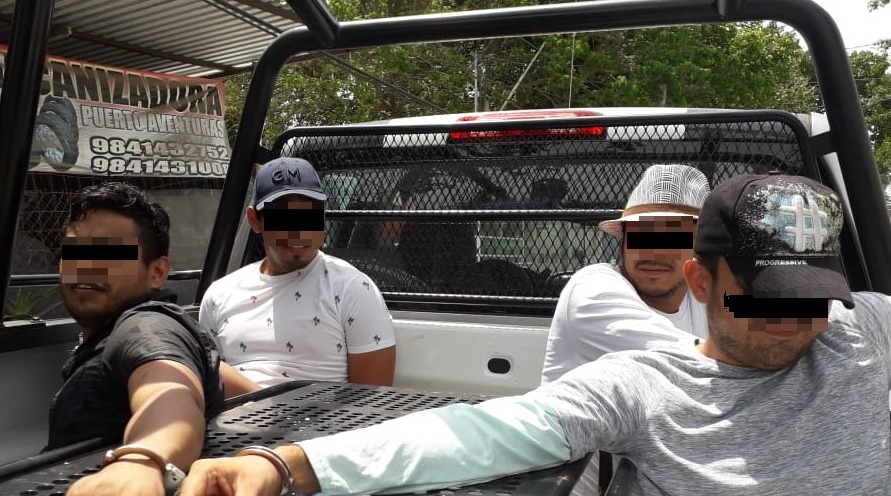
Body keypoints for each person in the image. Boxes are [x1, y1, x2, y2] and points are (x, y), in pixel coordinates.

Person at [180, 173, 890, 496]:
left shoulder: (865, 326)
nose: (794, 316)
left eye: (811, 293)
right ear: (700, 281)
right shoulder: (642, 385)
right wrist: (287, 465)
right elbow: (479, 434)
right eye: (765, 293)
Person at [541, 164, 710, 495]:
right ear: (623, 243)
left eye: (673, 238)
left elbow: (771, 324)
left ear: (701, 250)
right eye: (641, 235)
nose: (653, 253)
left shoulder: (705, 295)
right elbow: (696, 367)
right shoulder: (593, 289)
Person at [49, 182, 225, 496]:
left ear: (157, 272)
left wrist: (142, 461)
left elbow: (172, 397)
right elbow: (213, 381)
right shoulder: (149, 331)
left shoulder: (146, 327)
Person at [199, 157, 396, 389]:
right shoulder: (219, 295)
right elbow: (209, 384)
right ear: (254, 220)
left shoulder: (352, 289)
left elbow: (372, 400)